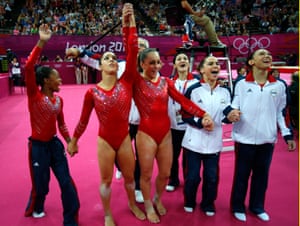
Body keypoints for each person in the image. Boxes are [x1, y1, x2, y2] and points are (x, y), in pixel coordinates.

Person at [67, 4, 146, 226]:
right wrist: (73, 141)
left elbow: (132, 49)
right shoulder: (92, 92)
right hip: (105, 141)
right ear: (99, 66)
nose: (112, 60)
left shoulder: (127, 81)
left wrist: (128, 22)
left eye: (114, 58)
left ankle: (132, 204)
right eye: (107, 58)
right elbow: (83, 120)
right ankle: (108, 213)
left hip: (123, 139)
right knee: (106, 180)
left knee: (130, 177)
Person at [134, 47, 214, 223]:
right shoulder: (136, 82)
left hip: (165, 133)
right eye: (151, 62)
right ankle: (148, 205)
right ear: (142, 64)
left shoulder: (166, 82)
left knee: (165, 173)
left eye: (158, 62)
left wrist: (202, 114)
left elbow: (183, 101)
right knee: (146, 175)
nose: (156, 65)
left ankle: (158, 199)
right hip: (146, 133)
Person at [223, 49, 296, 222]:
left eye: (269, 54)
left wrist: (287, 135)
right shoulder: (241, 84)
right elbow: (234, 105)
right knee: (241, 175)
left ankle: (257, 206)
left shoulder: (279, 86)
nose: (267, 56)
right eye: (262, 54)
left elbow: (280, 112)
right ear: (251, 62)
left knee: (261, 176)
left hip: (267, 139)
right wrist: (231, 113)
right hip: (244, 138)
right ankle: (238, 206)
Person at [24, 24, 80, 226]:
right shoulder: (34, 96)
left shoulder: (58, 101)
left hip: (54, 146)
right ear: (47, 81)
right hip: (38, 148)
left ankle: (71, 219)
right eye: (57, 77)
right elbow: (29, 67)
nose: (60, 80)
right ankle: (37, 206)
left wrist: (69, 141)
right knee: (42, 186)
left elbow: (62, 124)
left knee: (66, 181)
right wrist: (42, 42)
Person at [181, 55, 232, 216]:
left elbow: (226, 112)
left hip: (214, 144)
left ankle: (208, 203)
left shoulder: (225, 91)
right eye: (211, 63)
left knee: (211, 178)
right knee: (193, 177)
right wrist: (200, 122)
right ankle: (189, 201)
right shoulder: (193, 90)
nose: (216, 65)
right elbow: (185, 115)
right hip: (193, 142)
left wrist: (230, 117)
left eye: (217, 63)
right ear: (202, 69)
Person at [166, 52, 199, 192]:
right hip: (173, 126)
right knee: (172, 156)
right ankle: (173, 180)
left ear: (189, 64)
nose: (182, 60)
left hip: (191, 126)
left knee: (189, 157)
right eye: (179, 59)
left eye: (185, 58)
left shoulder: (197, 82)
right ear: (174, 65)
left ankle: (188, 180)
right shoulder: (168, 82)